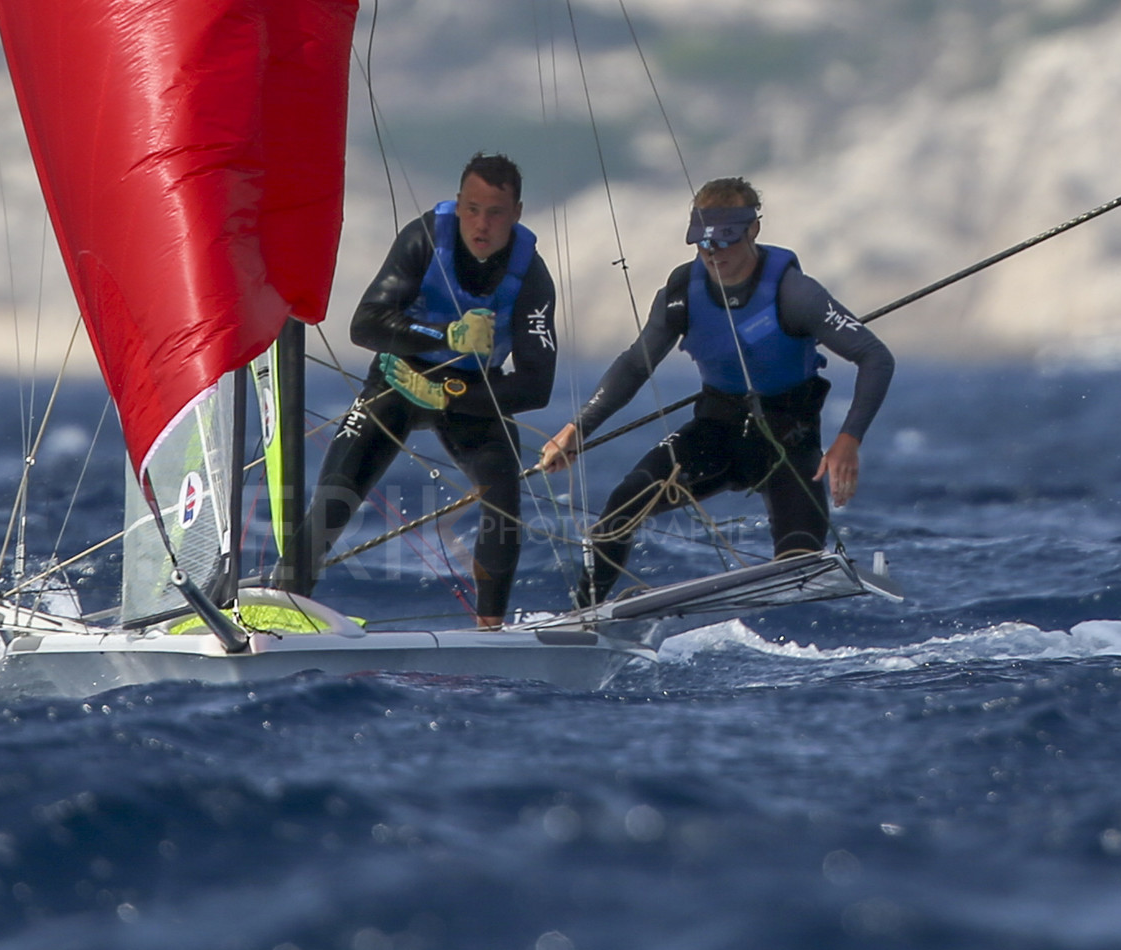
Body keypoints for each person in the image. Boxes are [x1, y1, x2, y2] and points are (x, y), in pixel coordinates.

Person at [539, 176, 893, 606]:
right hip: (714, 433)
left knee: (800, 566)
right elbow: (635, 365)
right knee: (618, 511)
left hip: (788, 440)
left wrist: (848, 441)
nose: (712, 254)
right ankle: (585, 614)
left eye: (725, 242)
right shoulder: (680, 295)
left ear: (753, 230)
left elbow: (875, 357)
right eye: (702, 243)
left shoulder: (795, 293)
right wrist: (579, 428)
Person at [286, 152, 558, 628]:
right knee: (332, 500)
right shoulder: (424, 239)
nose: (482, 224)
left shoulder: (531, 278)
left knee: (504, 500)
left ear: (516, 214)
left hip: (472, 394)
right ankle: (281, 612)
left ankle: (491, 629)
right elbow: (365, 324)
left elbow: (537, 386)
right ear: (458, 203)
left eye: (495, 213)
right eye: (472, 209)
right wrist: (447, 335)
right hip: (398, 378)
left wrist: (450, 398)